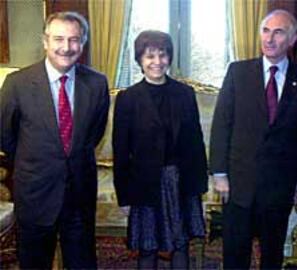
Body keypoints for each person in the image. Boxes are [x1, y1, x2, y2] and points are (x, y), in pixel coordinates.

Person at [210, 9, 297, 269]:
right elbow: (221, 124)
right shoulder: (238, 73)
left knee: (272, 255)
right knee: (235, 254)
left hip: (279, 185)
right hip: (238, 183)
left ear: (292, 39)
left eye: (278, 32)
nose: (270, 39)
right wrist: (219, 172)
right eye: (266, 31)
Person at [0, 12, 109, 269]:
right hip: (35, 192)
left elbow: (94, 133)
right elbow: (5, 135)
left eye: (74, 40)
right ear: (45, 41)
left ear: (82, 44)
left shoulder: (97, 83)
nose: (66, 47)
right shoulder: (17, 83)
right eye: (58, 38)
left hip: (80, 193)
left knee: (82, 262)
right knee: (34, 263)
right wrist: (37, 158)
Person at [112, 30, 208, 269]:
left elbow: (196, 143)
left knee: (180, 244)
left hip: (180, 182)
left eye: (162, 55)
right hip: (145, 183)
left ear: (169, 57)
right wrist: (124, 195)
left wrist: (198, 187)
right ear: (139, 60)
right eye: (149, 56)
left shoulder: (185, 94)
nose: (157, 62)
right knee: (148, 246)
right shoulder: (128, 98)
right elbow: (121, 150)